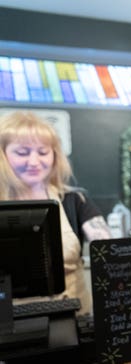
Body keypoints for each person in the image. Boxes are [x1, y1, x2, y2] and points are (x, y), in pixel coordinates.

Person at [0, 111, 111, 315]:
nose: (34, 162)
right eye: (22, 153)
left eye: (42, 152)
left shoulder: (75, 200)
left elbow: (107, 249)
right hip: (11, 325)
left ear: (55, 155)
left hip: (74, 318)